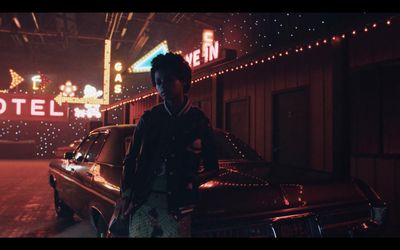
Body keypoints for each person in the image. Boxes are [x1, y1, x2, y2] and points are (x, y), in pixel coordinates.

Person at [120, 52, 219, 237]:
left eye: (169, 80)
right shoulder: (149, 119)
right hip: (144, 201)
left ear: (183, 81)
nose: (162, 86)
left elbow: (213, 166)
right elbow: (131, 157)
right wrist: (126, 193)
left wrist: (191, 181)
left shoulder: (198, 120)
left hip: (179, 206)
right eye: (158, 82)